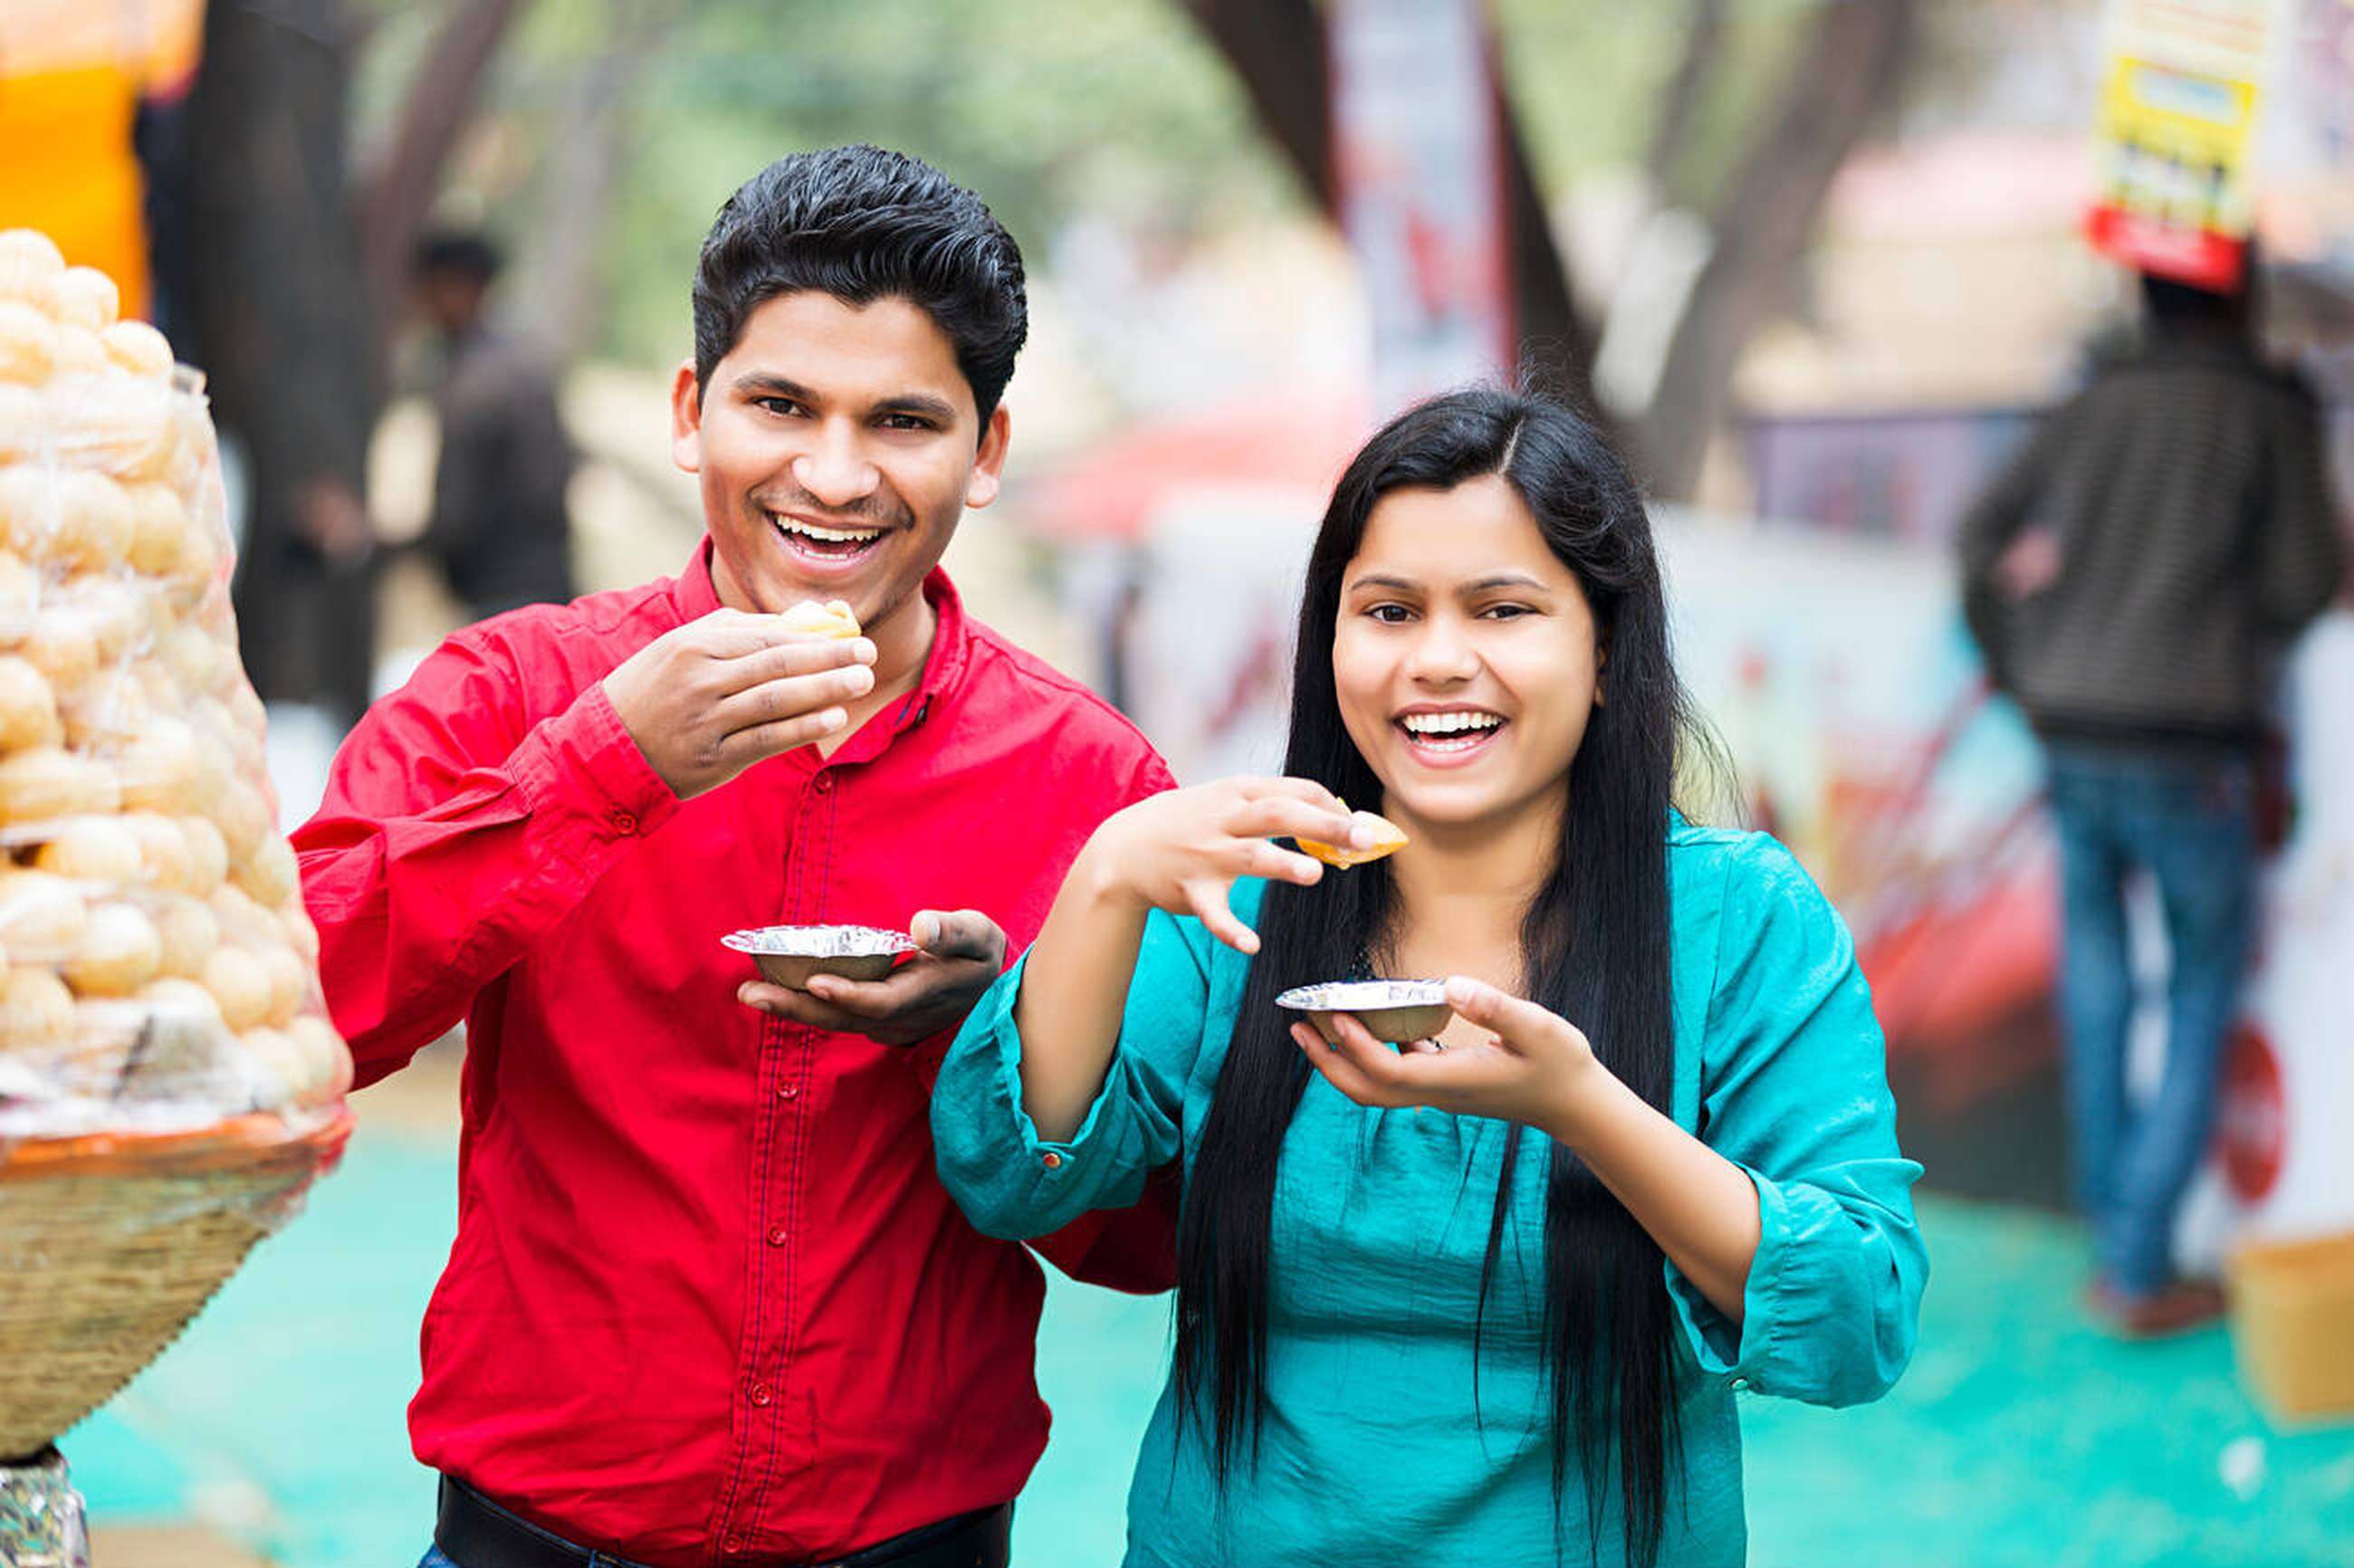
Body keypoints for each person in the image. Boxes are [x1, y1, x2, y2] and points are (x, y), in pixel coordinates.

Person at [295, 146, 1179, 1568]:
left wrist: (997, 1038)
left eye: (902, 420)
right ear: (692, 414)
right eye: (780, 405)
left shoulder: (1095, 786)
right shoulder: (509, 693)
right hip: (527, 1540)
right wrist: (598, 769)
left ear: (988, 453)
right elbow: (292, 1019)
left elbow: (1155, 1245)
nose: (833, 475)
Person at [931, 387, 1928, 1566]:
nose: (1439, 661)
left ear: (1607, 651)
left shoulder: (1743, 920)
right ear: (1333, 639)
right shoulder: (1237, 901)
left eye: (1504, 610)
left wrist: (1583, 1107)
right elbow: (1009, 1178)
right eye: (1389, 610)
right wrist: (1105, 880)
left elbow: (1854, 1318)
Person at [1958, 271, 2346, 1337]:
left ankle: (2113, 1241)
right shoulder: (2267, 410)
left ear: (2144, 286)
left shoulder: (2093, 399)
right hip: (2190, 744)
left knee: (2097, 982)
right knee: (2196, 987)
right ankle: (2136, 1261)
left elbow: (1975, 541)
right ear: (2238, 293)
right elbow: (2306, 580)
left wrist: (2024, 667)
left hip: (2073, 732)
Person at [409, 228, 579, 618]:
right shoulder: (523, 365)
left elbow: (452, 520)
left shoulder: (476, 386)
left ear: (464, 288)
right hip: (547, 586)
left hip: (504, 596)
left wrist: (370, 544)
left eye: (431, 290)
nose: (423, 305)